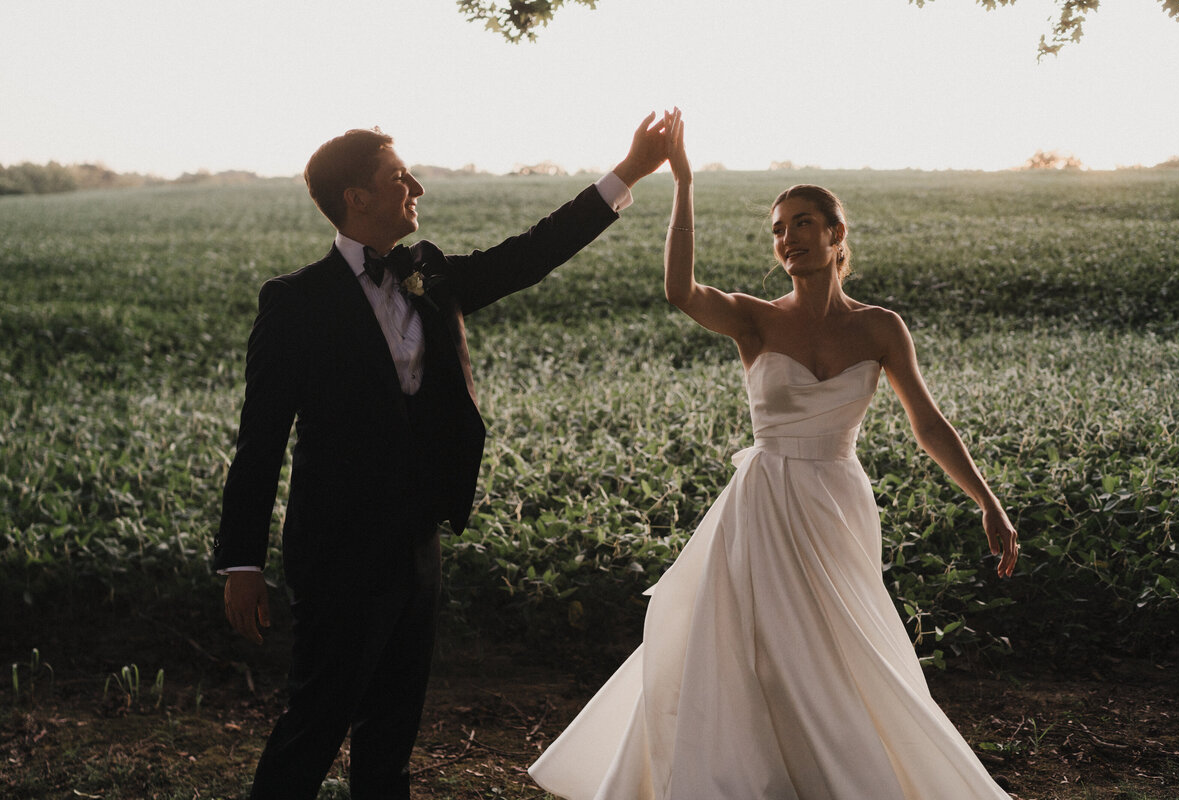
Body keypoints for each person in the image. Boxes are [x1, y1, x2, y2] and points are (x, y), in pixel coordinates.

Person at [528, 110, 1021, 799]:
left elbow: (928, 423)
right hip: (763, 501)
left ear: (835, 234)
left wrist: (988, 502)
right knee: (754, 649)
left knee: (845, 648)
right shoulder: (755, 318)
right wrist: (685, 182)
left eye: (802, 224)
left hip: (836, 500)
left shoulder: (881, 327)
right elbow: (679, 292)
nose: (788, 239)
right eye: (779, 229)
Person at [212, 114, 670, 800]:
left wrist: (627, 172)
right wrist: (241, 561)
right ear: (356, 197)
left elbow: (529, 255)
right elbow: (261, 438)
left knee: (392, 731)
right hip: (336, 549)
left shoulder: (428, 274)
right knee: (315, 722)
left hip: (417, 542)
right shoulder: (295, 302)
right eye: (400, 177)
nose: (417, 186)